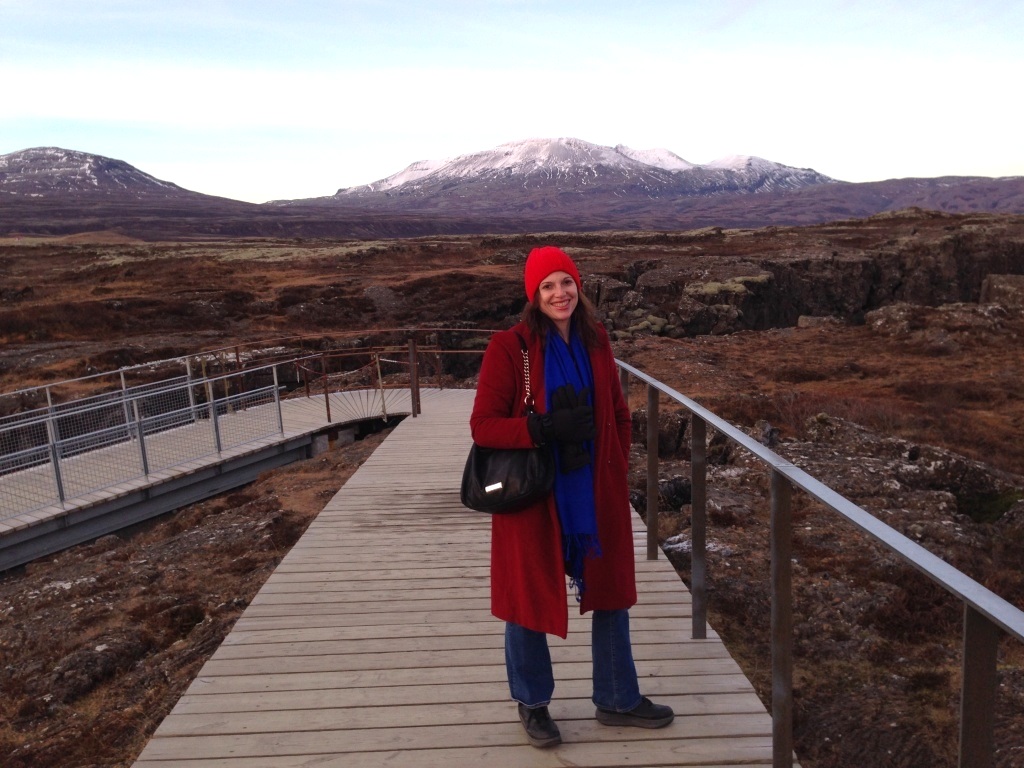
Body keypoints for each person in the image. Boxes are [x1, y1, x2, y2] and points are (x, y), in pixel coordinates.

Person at [469, 245, 674, 748]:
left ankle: (617, 697)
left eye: (566, 282)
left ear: (578, 286)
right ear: (533, 295)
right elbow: (483, 426)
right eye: (547, 286)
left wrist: (616, 465)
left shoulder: (597, 341)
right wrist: (541, 428)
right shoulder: (510, 347)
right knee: (527, 600)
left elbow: (620, 414)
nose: (559, 293)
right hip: (533, 495)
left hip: (594, 492)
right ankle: (533, 704)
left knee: (612, 593)